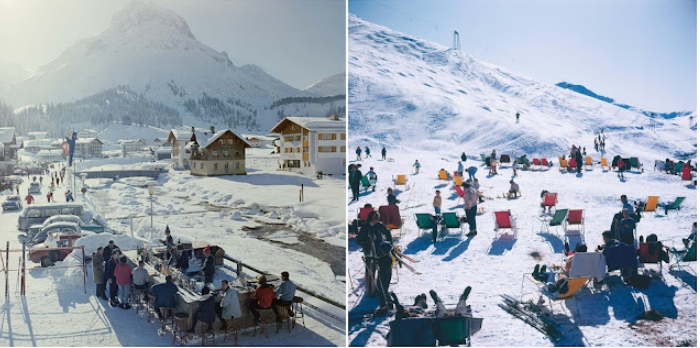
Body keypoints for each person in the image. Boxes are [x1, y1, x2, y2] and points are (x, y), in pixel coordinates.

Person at [390, 286, 472, 320]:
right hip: (460, 326)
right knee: (460, 313)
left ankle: (436, 300)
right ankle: (463, 298)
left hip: (441, 329)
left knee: (442, 313)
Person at [372, 241, 394, 316]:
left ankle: (383, 308)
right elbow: (380, 259)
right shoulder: (386, 256)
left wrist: (377, 263)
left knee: (382, 291)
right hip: (383, 275)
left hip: (384, 276)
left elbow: (381, 262)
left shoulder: (388, 258)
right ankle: (389, 302)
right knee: (384, 289)